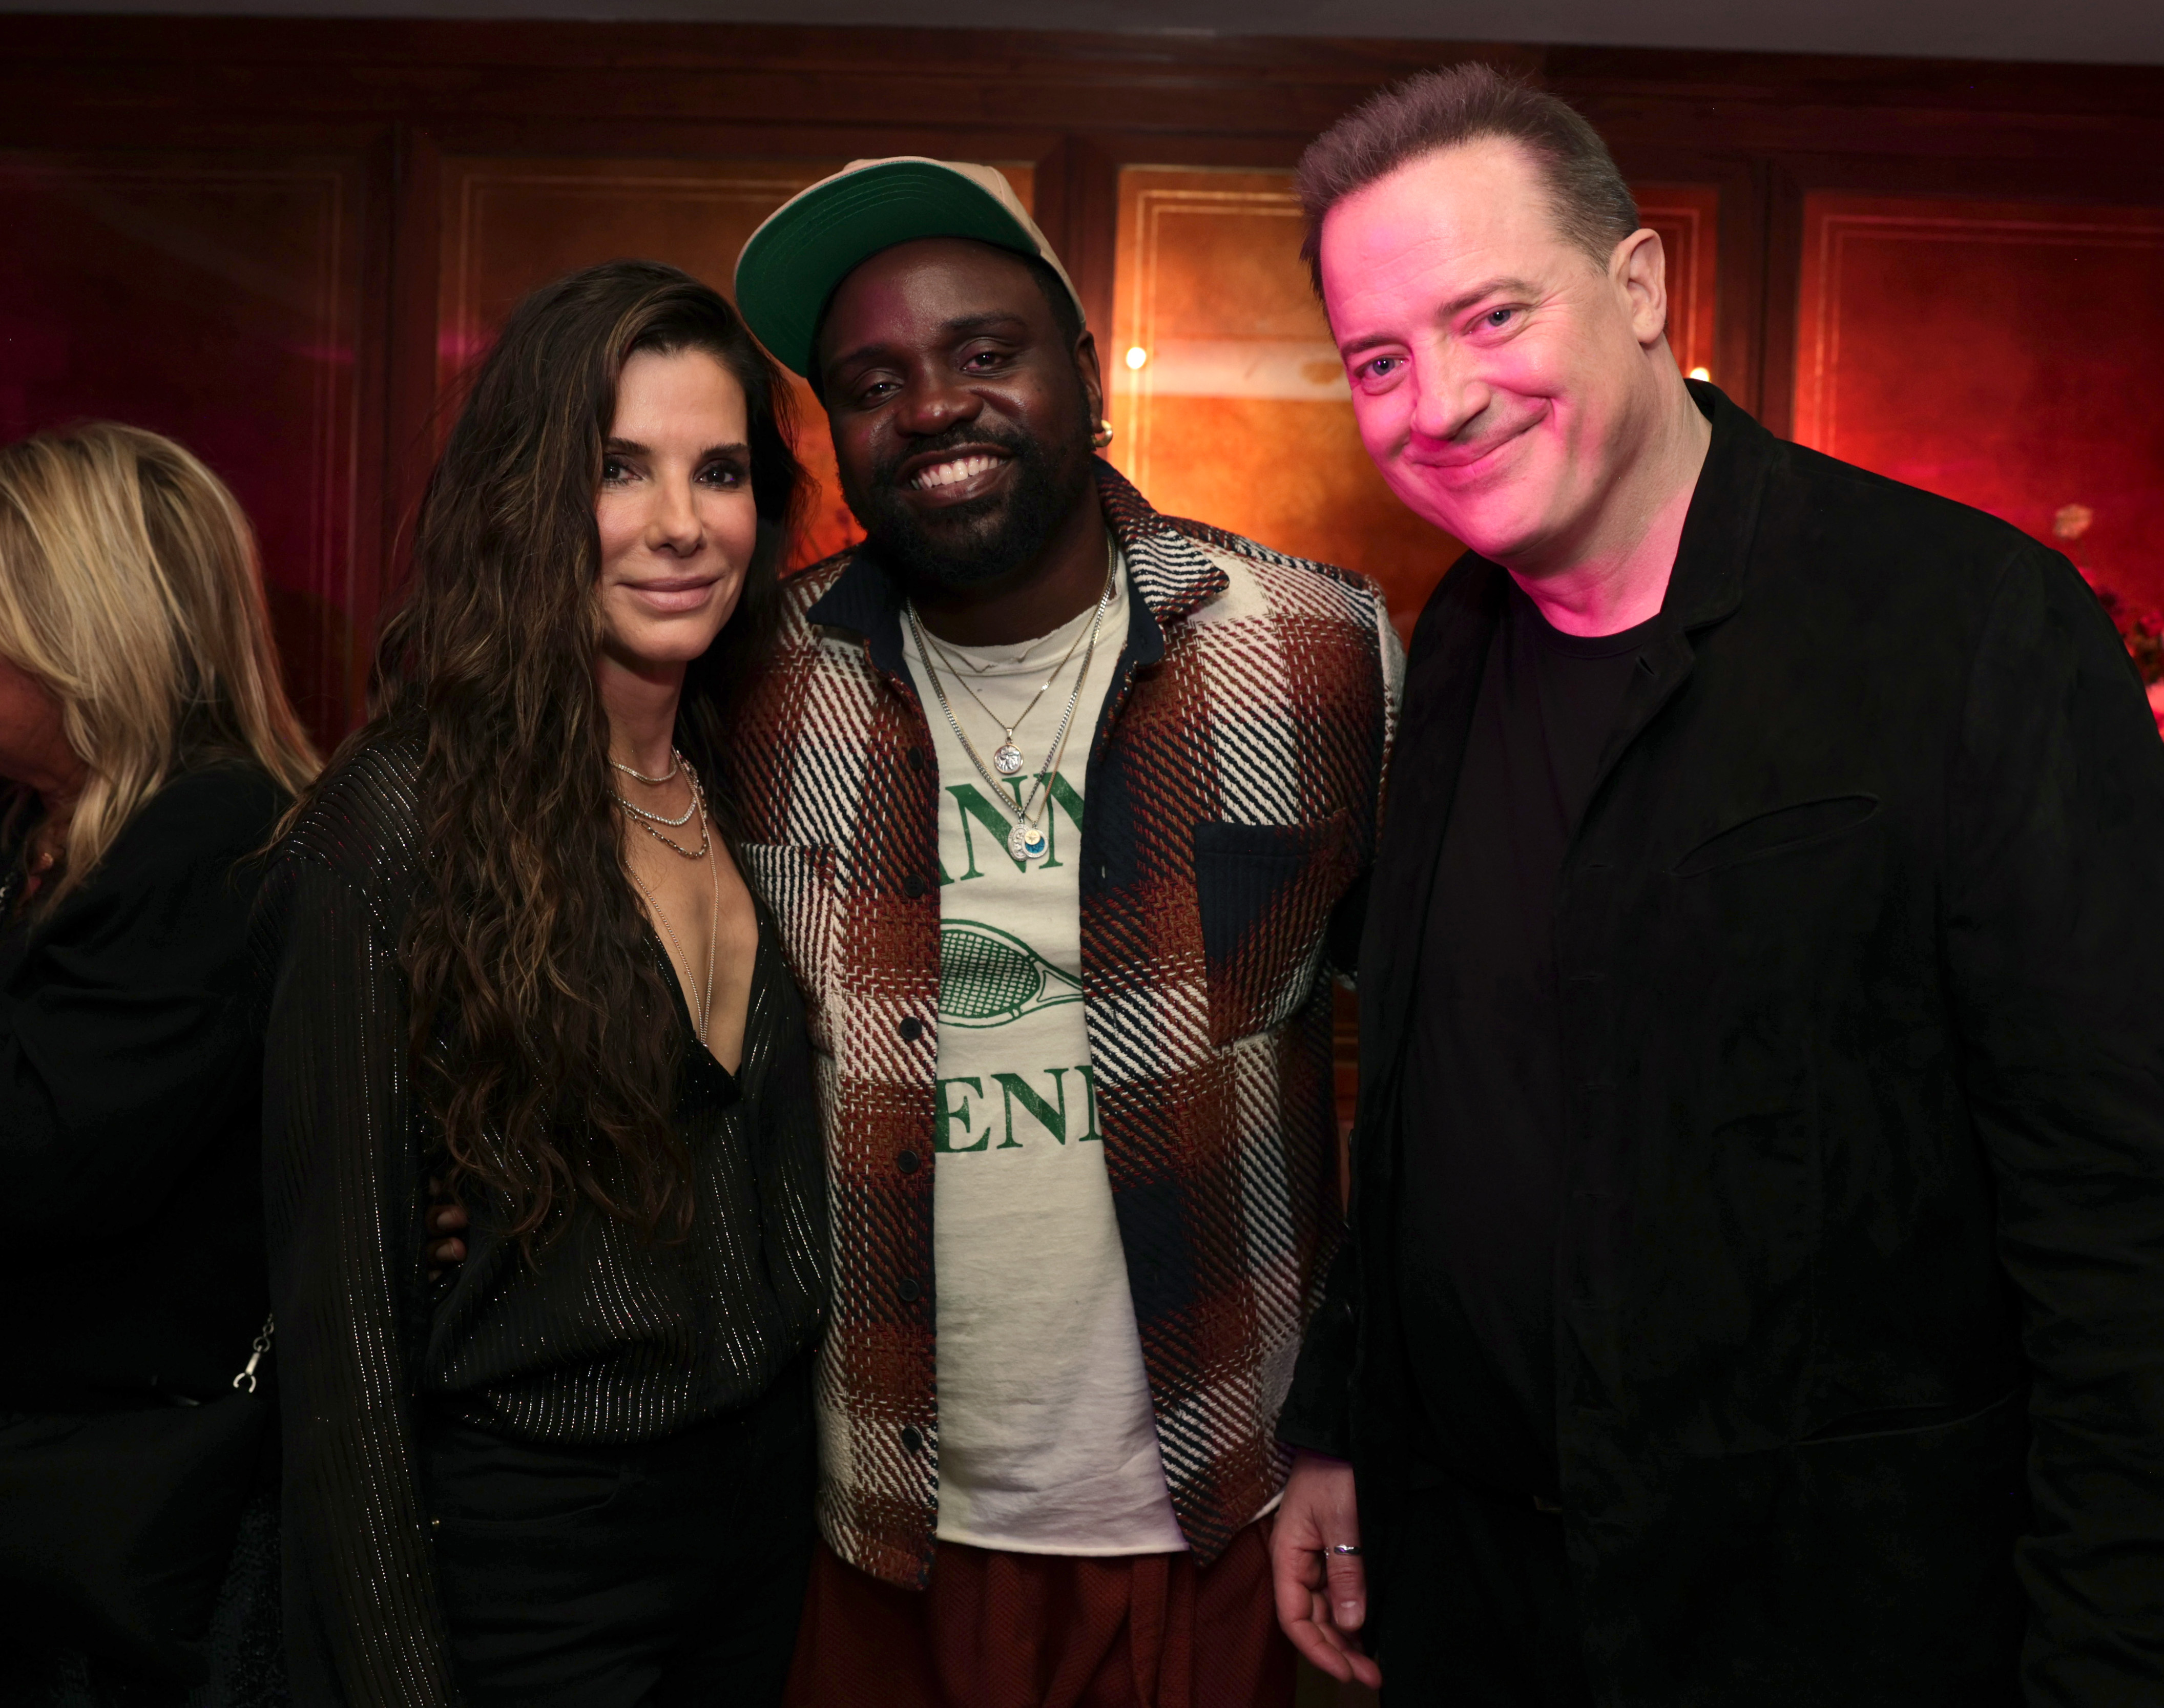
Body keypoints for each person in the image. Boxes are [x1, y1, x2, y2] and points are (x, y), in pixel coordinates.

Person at [1268, 64, 2164, 1706]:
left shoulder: (1972, 631)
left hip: (1832, 1622)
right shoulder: (1456, 640)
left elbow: (2124, 1223)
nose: (1437, 401)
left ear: (1637, 285)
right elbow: (1426, 1103)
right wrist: (1340, 1417)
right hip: (1478, 1600)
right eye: (1379, 360)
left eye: (1489, 317)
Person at [716, 157, 1400, 1708]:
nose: (934, 406)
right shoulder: (755, 689)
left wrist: (1356, 1418)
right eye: (872, 381)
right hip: (878, 1522)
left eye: (982, 351)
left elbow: (1445, 1074)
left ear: (1084, 375)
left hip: (1228, 1503)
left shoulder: (1313, 648)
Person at [259, 260, 827, 1707]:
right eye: (619, 469)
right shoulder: (398, 822)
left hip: (755, 1531)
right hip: (531, 1554)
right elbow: (345, 1338)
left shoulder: (737, 776)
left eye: (721, 471)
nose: (681, 524)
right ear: (530, 491)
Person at [0, 422, 317, 1704]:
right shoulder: (43, 822)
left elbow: (35, 1163)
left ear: (80, 630)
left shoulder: (211, 838)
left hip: (120, 1521)